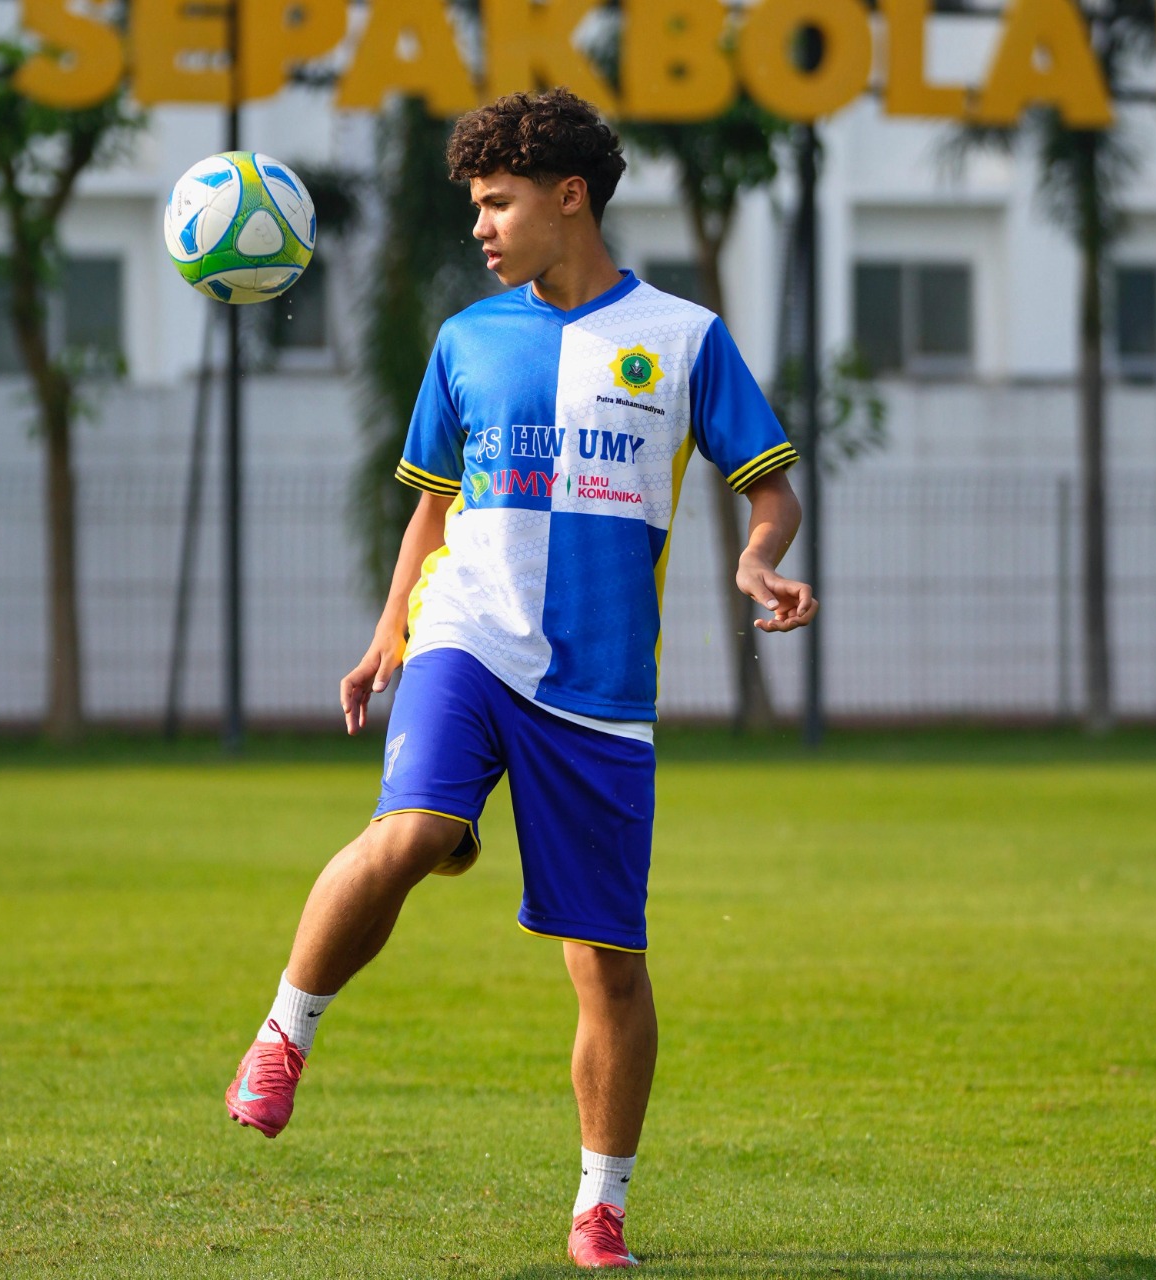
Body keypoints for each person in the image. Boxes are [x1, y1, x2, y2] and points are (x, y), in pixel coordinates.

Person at [225, 86, 816, 1270]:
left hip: (599, 691)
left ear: (568, 196)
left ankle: (601, 1203)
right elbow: (433, 507)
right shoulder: (466, 339)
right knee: (415, 825)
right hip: (469, 637)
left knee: (607, 964)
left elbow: (770, 489)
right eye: (474, 206)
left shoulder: (685, 337)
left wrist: (759, 563)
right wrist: (391, 629)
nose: (481, 227)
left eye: (497, 204)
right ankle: (284, 1032)